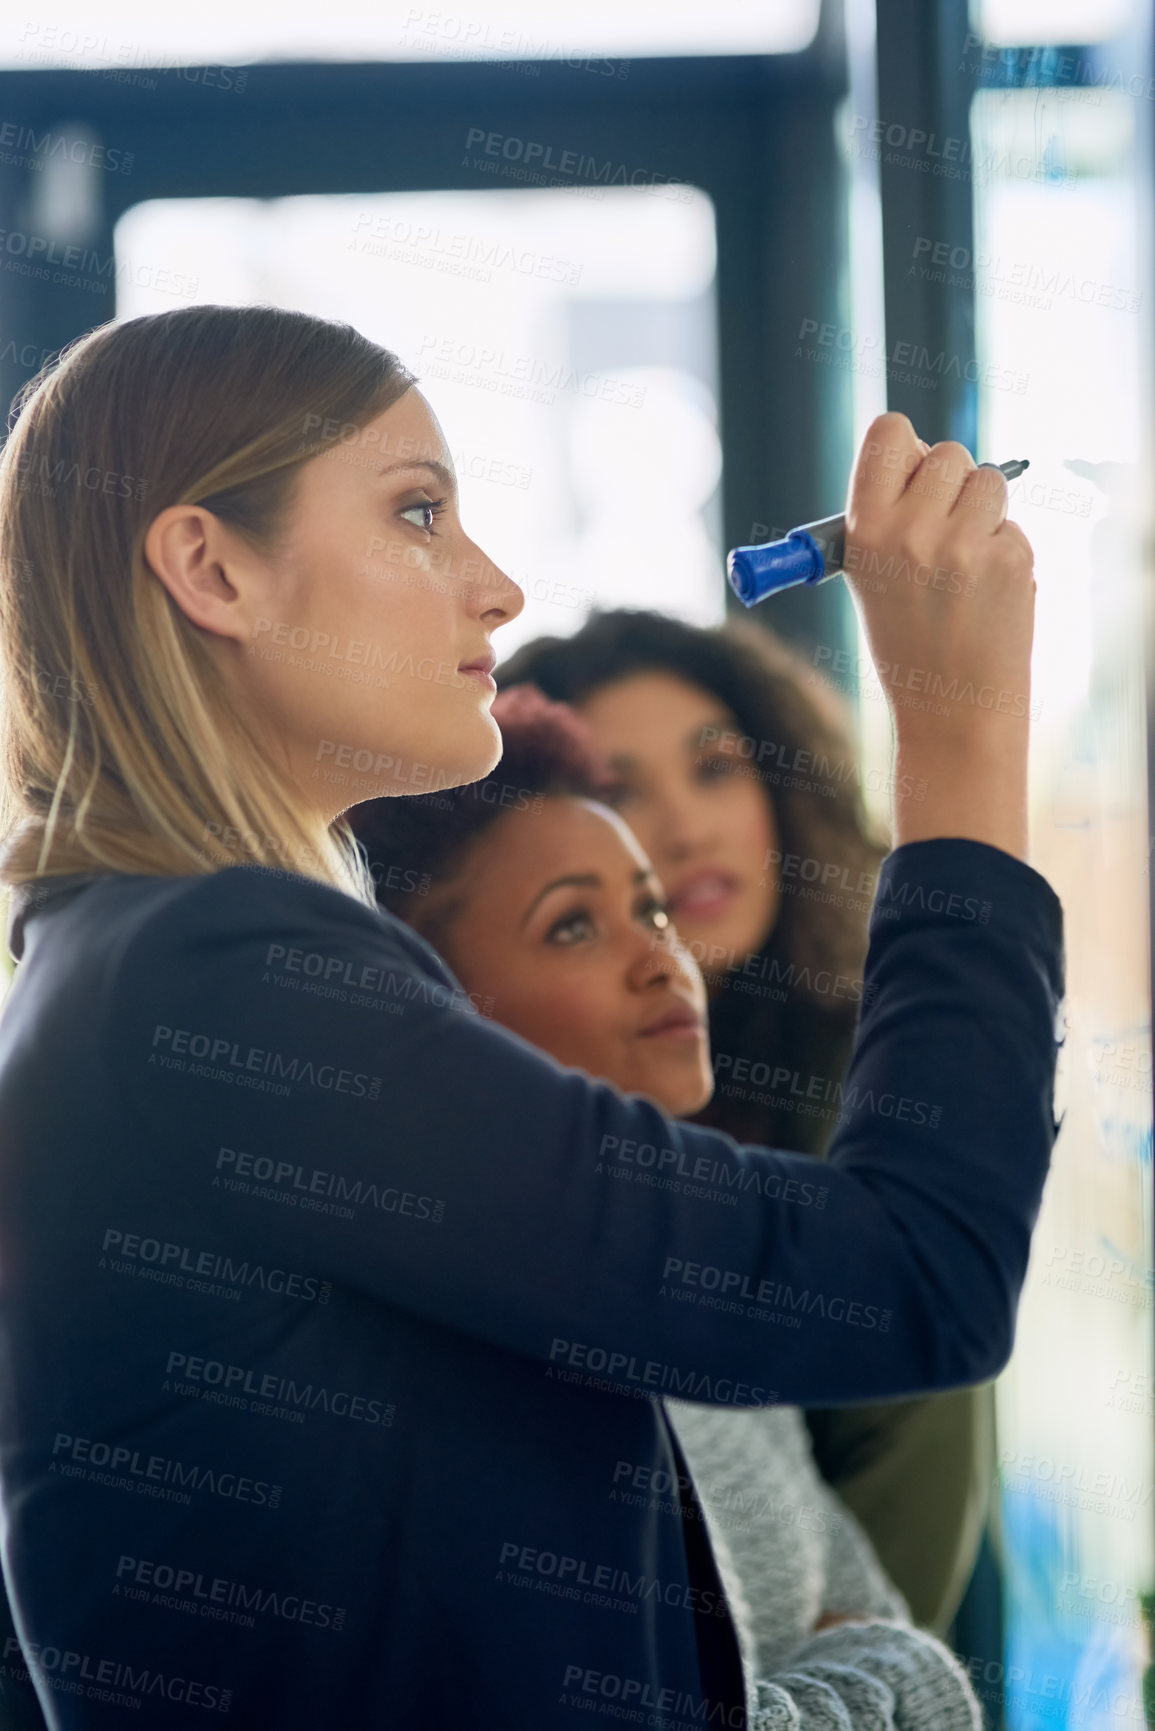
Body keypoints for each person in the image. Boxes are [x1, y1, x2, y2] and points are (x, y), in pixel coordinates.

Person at [0, 304, 1062, 1730]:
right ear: (210, 566)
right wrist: (958, 729)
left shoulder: (127, 961)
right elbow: (915, 1273)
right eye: (418, 512)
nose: (493, 588)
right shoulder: (216, 966)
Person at [349, 679, 982, 1729]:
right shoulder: (483, 1369)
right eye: (571, 929)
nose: (659, 955)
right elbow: (889, 1664)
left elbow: (879, 1616)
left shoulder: (693, 1291)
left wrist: (849, 1665)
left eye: (646, 906)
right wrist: (883, 1674)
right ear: (441, 1023)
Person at [496, 610, 993, 1634]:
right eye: (618, 790)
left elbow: (900, 1572)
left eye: (716, 768)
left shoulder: (874, 1096)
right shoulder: (522, 1130)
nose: (685, 827)